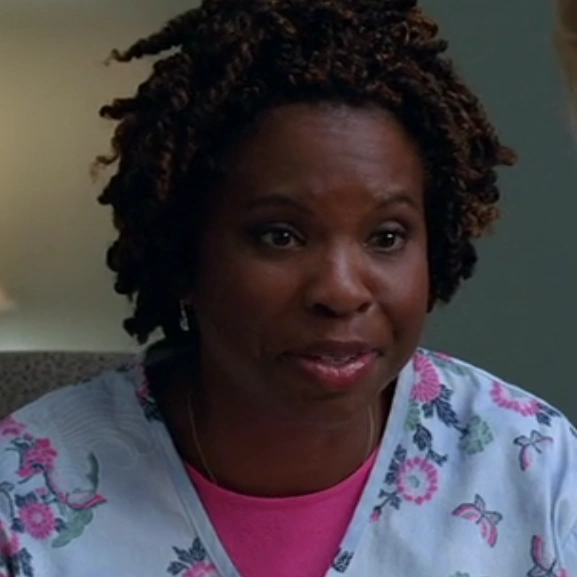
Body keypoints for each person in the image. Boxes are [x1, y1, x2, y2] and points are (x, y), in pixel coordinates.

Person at [1, 0, 576, 575]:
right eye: (280, 236)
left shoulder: (537, 472)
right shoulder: (21, 499)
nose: (341, 291)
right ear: (184, 249)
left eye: (387, 236)